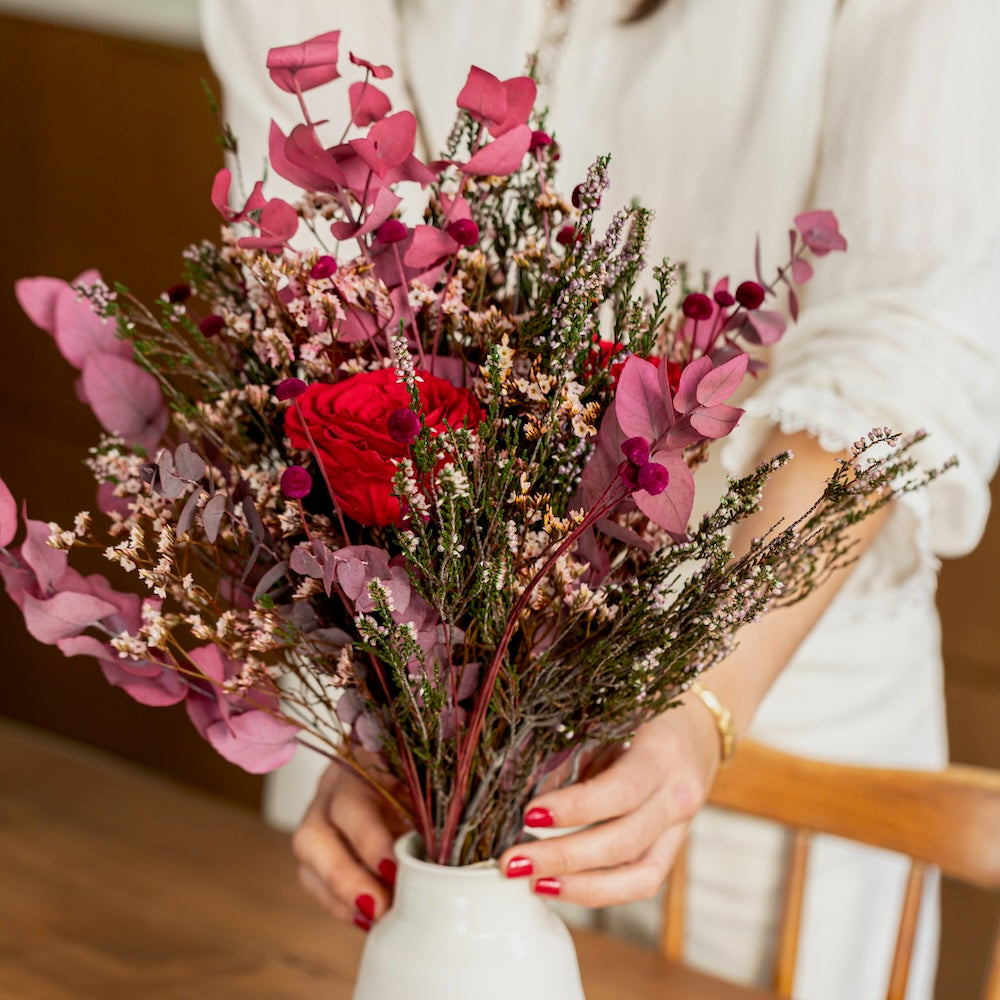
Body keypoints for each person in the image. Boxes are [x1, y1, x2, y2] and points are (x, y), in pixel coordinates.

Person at [199, 2, 1000, 997]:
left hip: (774, 691)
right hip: (426, 688)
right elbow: (326, 265)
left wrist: (701, 704)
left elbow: (907, 337)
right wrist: (402, 701)